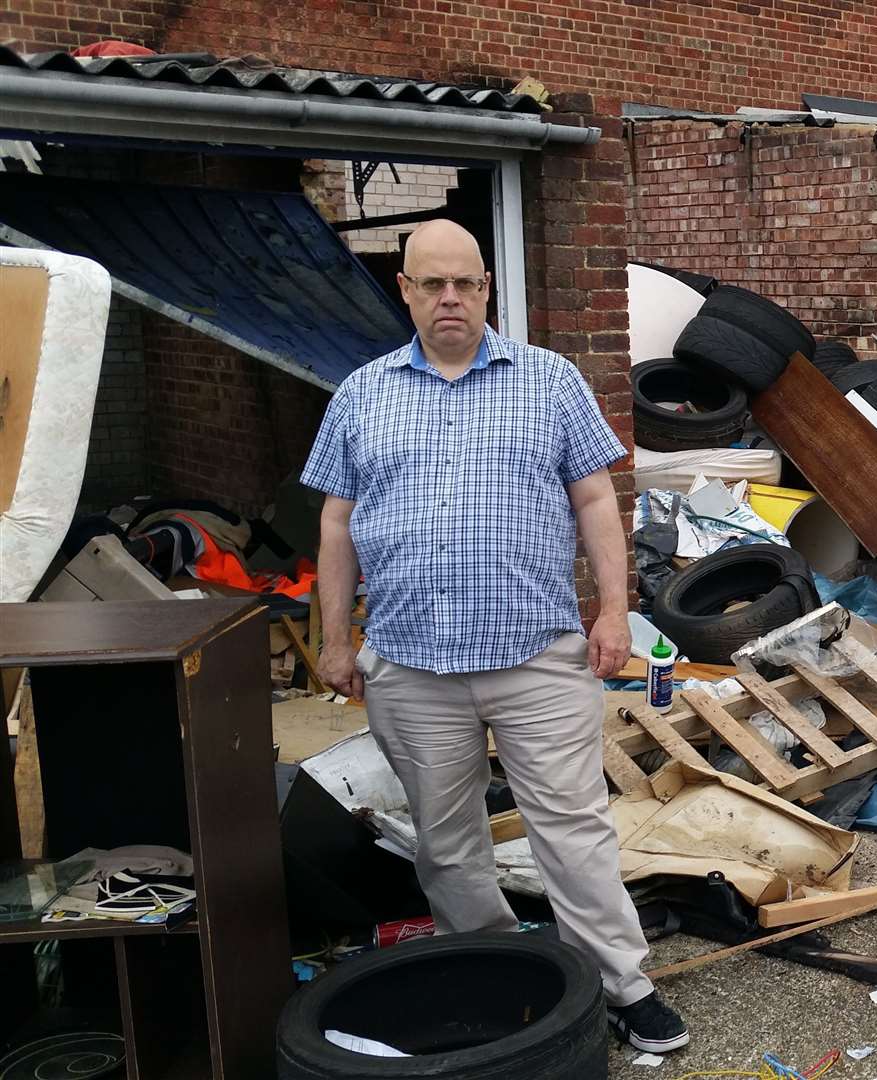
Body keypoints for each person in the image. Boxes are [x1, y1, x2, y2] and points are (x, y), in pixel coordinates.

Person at [302, 220, 690, 1054]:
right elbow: (336, 525)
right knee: (446, 844)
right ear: (404, 290)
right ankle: (493, 977)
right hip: (411, 664)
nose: (450, 298)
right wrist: (336, 641)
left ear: (487, 289)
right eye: (431, 284)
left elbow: (595, 501)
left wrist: (614, 611)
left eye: (466, 283)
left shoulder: (550, 382)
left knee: (572, 830)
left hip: (537, 656)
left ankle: (623, 987)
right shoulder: (360, 394)